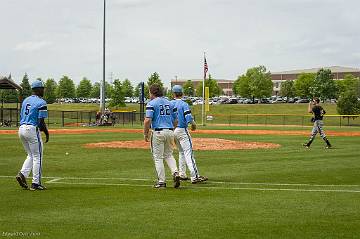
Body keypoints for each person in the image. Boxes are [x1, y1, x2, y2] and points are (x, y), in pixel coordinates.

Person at [143, 84, 180, 189]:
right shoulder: (170, 103)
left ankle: (161, 182)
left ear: (152, 92)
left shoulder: (151, 103)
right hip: (169, 131)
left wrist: (145, 133)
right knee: (168, 155)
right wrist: (171, 129)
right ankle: (175, 172)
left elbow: (147, 120)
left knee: (158, 157)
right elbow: (176, 120)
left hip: (158, 132)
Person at [16, 80, 49, 190]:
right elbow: (41, 122)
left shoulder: (26, 100)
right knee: (37, 157)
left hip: (21, 129)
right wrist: (46, 132)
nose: (43, 90)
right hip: (31, 129)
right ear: (37, 89)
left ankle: (22, 174)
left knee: (31, 155)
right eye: (42, 88)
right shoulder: (41, 102)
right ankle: (36, 183)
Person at [171, 85, 208, 184]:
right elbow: (188, 117)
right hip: (182, 130)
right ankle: (194, 176)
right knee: (188, 153)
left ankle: (182, 174)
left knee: (181, 152)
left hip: (173, 131)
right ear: (182, 93)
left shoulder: (170, 104)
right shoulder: (184, 104)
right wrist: (194, 124)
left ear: (173, 94)